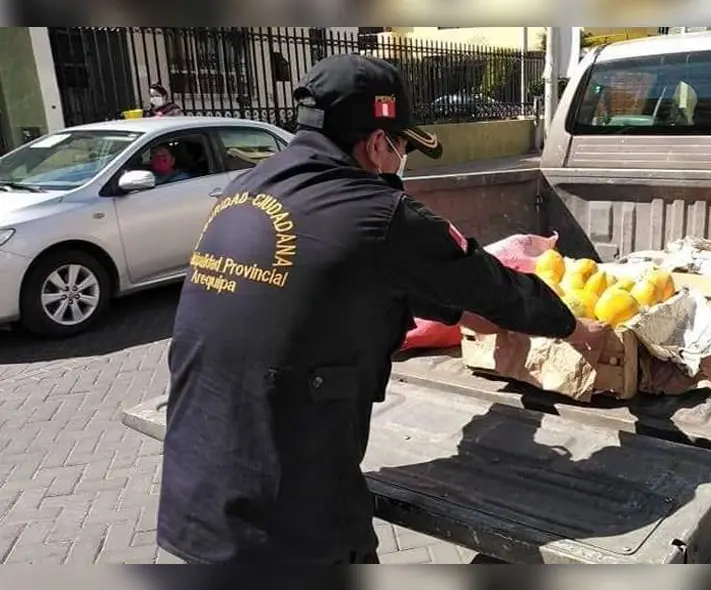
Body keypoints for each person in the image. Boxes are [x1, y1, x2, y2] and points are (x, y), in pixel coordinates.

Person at [158, 54, 608, 565]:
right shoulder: (378, 211)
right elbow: (491, 284)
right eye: (398, 149)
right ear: (376, 143)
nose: (399, 163)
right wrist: (573, 327)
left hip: (196, 491)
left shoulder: (245, 189)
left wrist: (471, 317)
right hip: (290, 518)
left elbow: (372, 281)